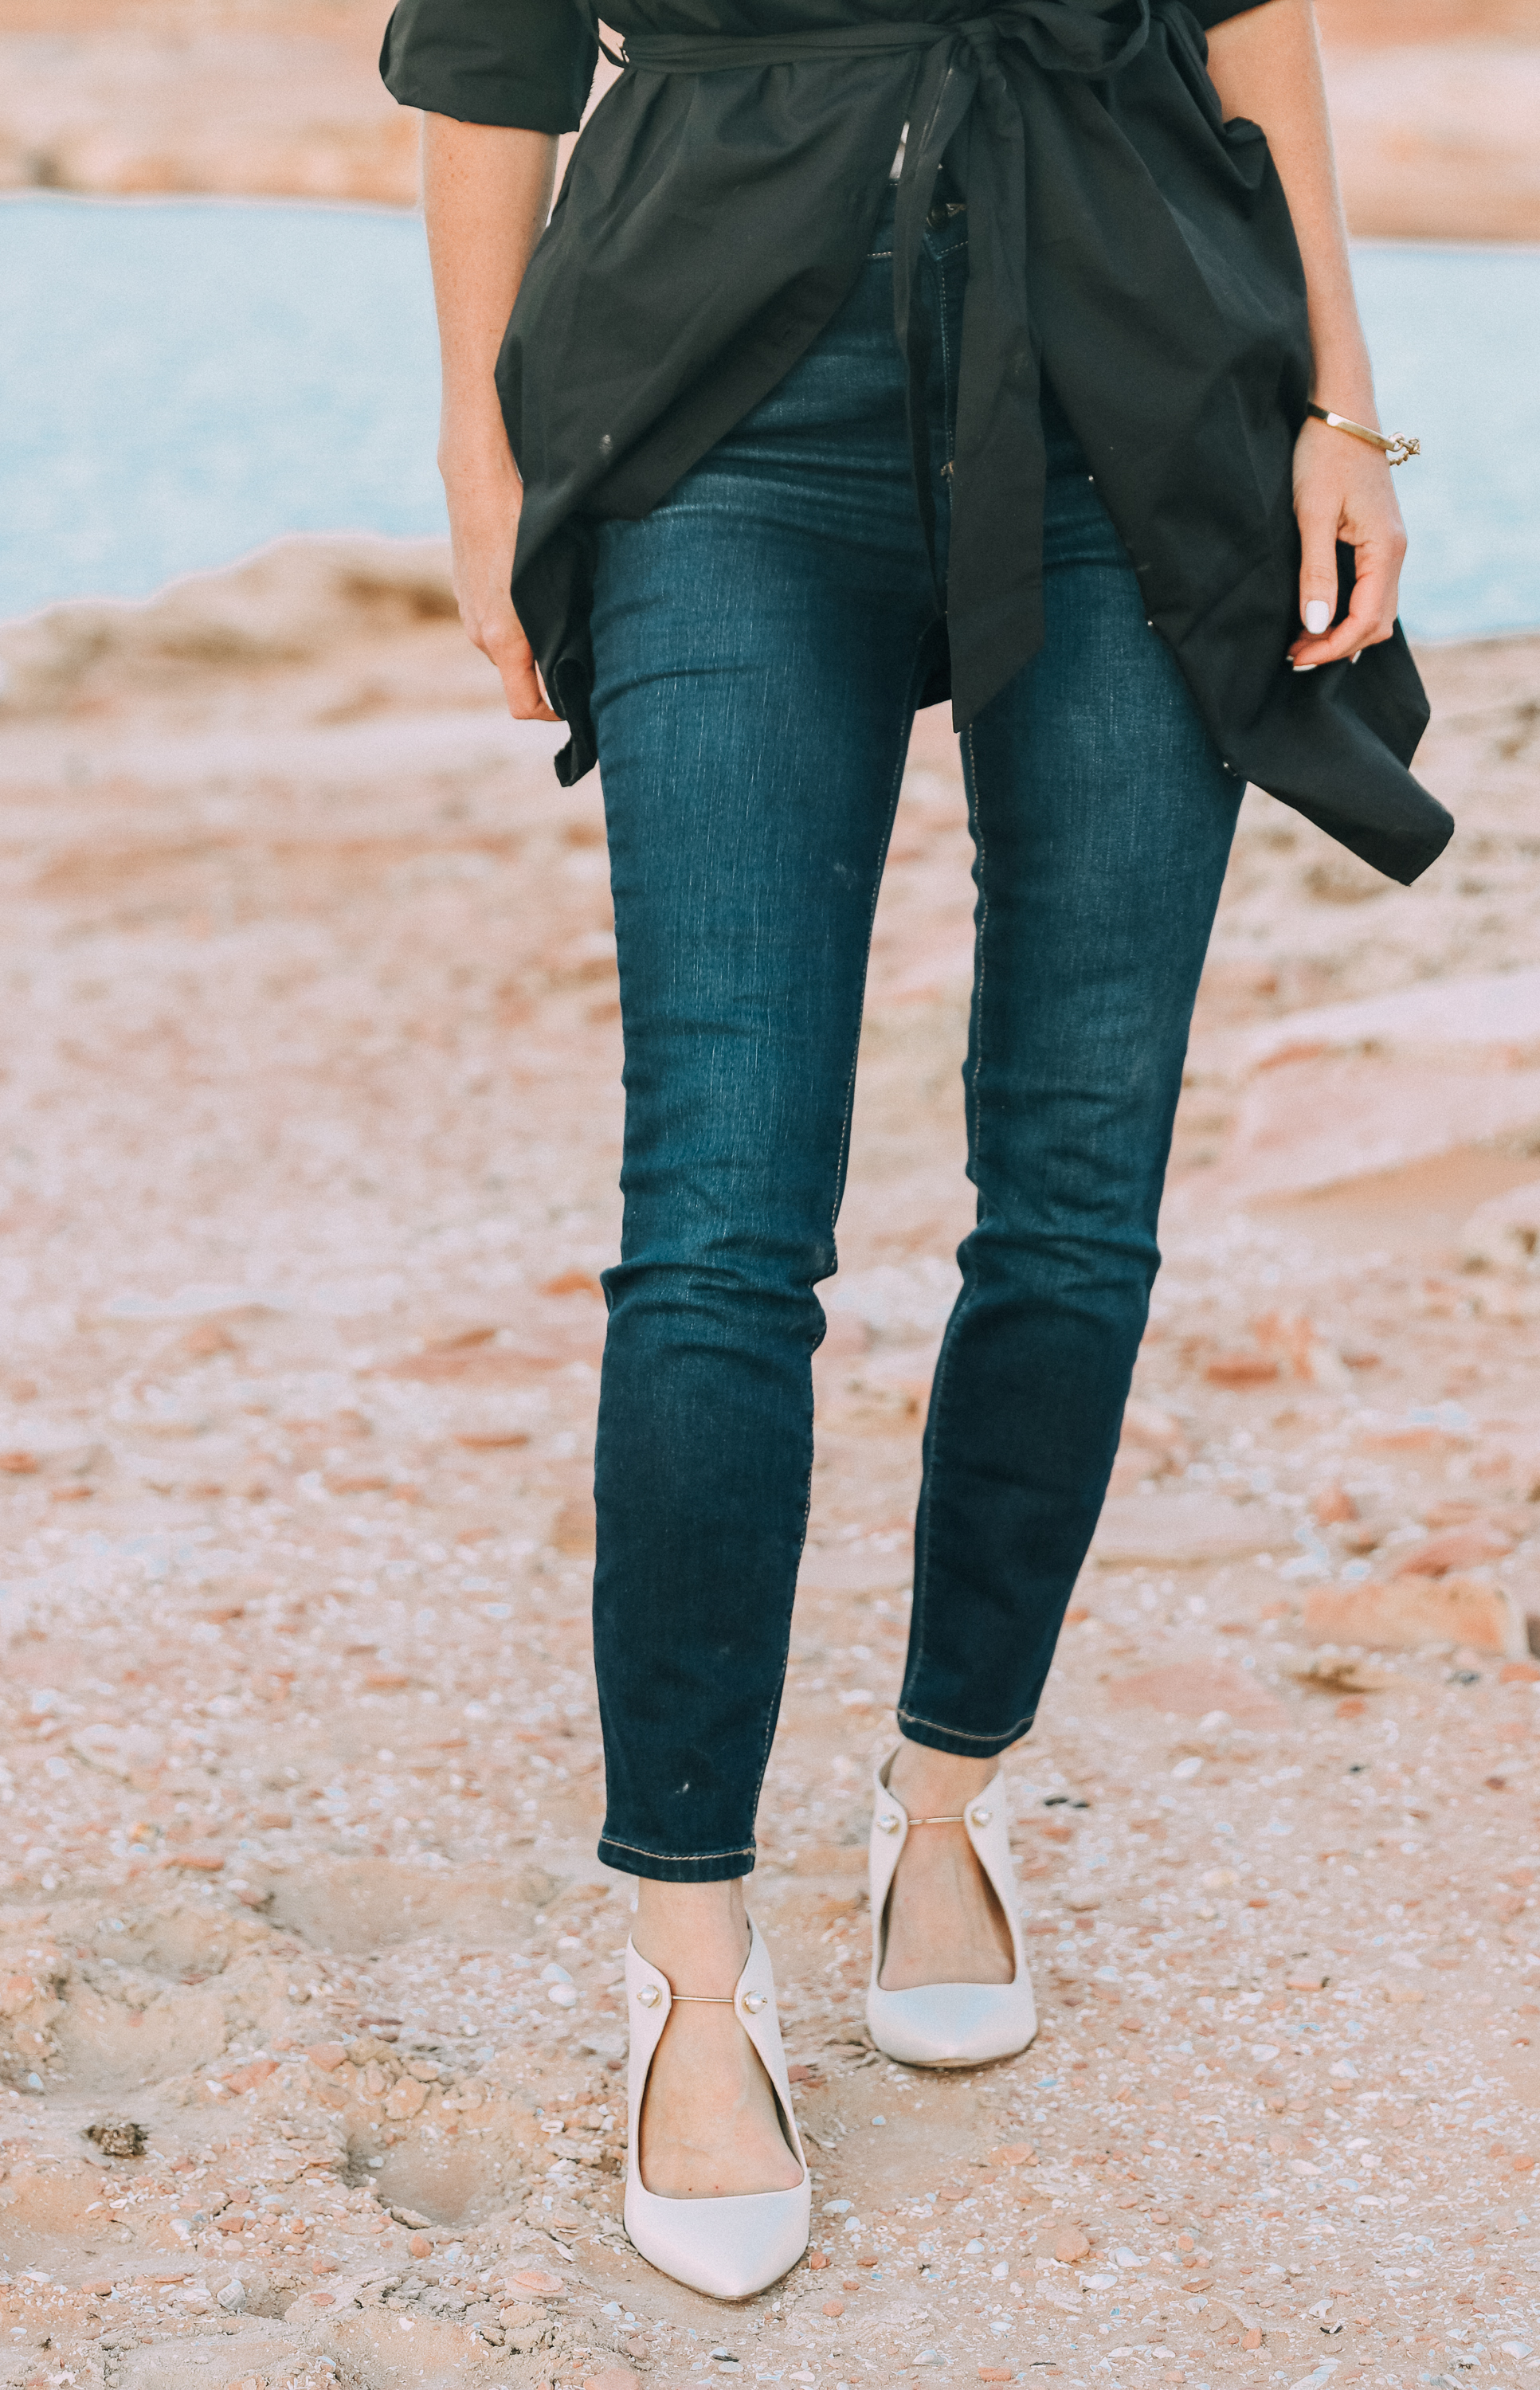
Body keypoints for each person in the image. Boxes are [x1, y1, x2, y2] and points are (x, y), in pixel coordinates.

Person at [380, 0, 1450, 2300]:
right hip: (718, 401)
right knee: (720, 1235)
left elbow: (1253, 9)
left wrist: (1341, 397)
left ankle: (946, 1803)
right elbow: (485, 54)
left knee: (1077, 1202)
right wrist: (482, 466)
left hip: (1138, 372)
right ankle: (685, 1970)